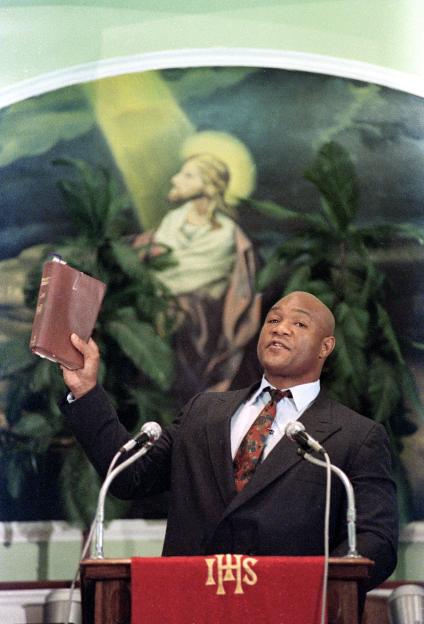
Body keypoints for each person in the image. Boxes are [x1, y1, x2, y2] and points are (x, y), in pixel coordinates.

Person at [60, 290, 398, 601]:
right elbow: (129, 475)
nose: (280, 329)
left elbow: (375, 542)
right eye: (274, 320)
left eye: (299, 323)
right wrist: (86, 391)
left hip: (288, 611)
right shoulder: (204, 411)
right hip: (190, 605)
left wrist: (308, 588)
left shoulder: (356, 436)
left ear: (326, 347)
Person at [133, 153, 261, 402]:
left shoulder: (226, 232)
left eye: (188, 175)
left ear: (209, 185)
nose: (176, 179)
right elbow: (160, 266)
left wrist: (165, 287)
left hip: (204, 318)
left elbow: (199, 276)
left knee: (179, 314)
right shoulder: (173, 220)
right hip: (164, 302)